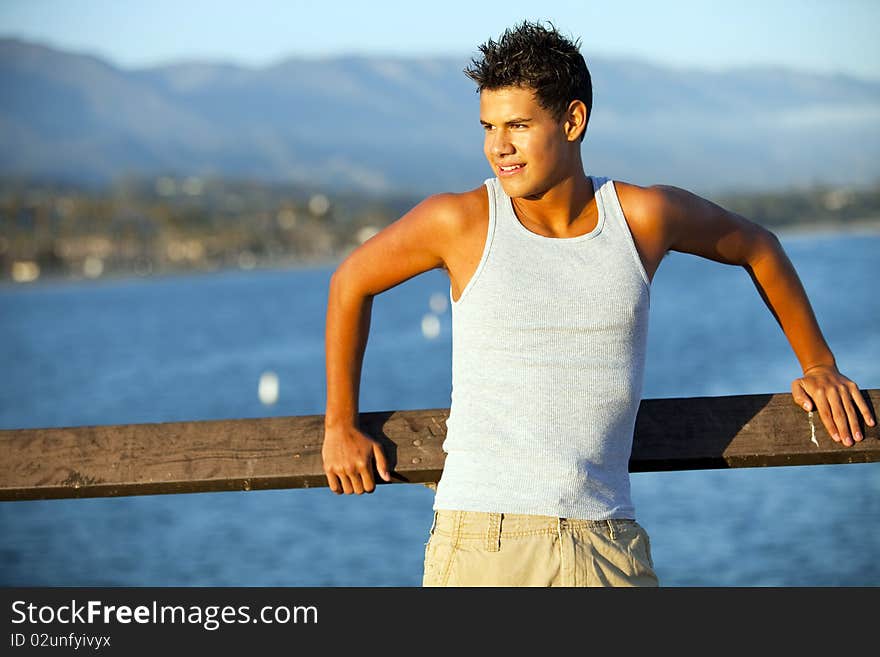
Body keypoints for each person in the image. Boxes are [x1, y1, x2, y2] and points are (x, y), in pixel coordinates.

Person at [321, 20, 875, 587]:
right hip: (484, 542)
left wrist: (818, 365)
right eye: (488, 126)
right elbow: (350, 283)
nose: (497, 146)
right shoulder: (459, 221)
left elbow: (759, 247)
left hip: (607, 544)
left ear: (572, 120)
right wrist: (340, 423)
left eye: (518, 125)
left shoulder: (641, 217)